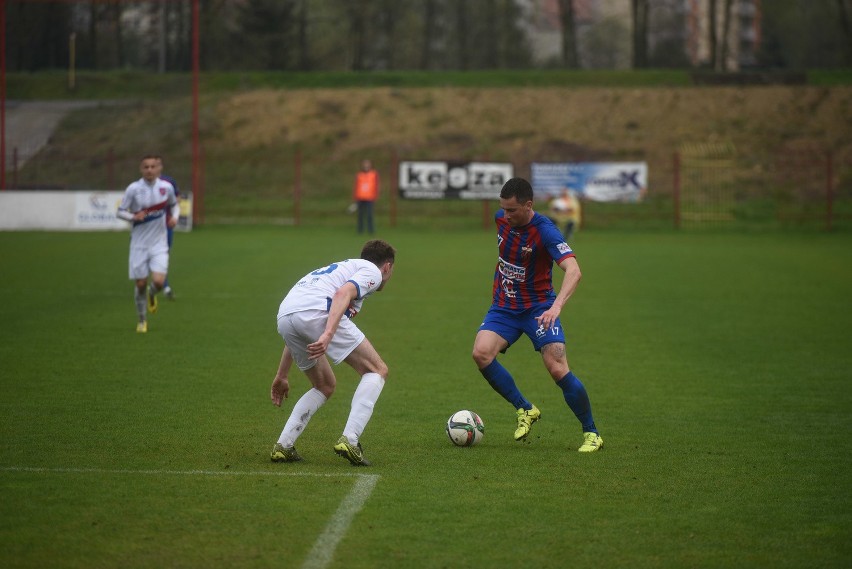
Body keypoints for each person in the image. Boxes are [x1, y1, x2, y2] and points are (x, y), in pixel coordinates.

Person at [471, 177, 603, 452]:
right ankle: (525, 408)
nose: (505, 216)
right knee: (481, 353)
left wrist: (556, 308)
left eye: (512, 210)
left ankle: (592, 433)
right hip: (504, 307)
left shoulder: (546, 232)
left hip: (539, 309)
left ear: (528, 205)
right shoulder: (501, 219)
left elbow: (574, 271)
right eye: (503, 209)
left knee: (557, 367)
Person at [269, 239, 396, 466]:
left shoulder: (342, 269)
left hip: (285, 314)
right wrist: (327, 334)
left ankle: (283, 445)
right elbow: (341, 294)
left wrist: (282, 375)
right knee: (377, 370)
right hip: (316, 311)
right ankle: (350, 439)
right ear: (386, 267)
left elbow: (299, 322)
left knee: (324, 385)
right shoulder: (372, 272)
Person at [117, 155, 180, 333]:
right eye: (146, 167)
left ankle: (153, 295)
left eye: (153, 167)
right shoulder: (133, 189)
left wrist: (174, 218)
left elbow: (174, 205)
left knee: (158, 282)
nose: (150, 170)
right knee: (140, 284)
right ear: (141, 169)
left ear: (158, 169)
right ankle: (142, 320)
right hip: (138, 244)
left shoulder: (166, 188)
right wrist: (133, 216)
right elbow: (120, 212)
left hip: (159, 243)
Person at [155, 156, 180, 300]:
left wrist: (174, 216)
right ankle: (165, 286)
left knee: (164, 254)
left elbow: (177, 200)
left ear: (161, 166)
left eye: (157, 165)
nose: (153, 168)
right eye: (150, 165)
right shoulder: (139, 187)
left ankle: (162, 283)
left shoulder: (169, 183)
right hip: (147, 228)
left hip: (165, 225)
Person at [353, 159, 379, 234]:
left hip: (370, 197)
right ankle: (360, 230)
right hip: (360, 197)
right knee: (360, 215)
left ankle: (371, 230)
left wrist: (375, 195)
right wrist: (355, 196)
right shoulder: (359, 175)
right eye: (365, 164)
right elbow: (356, 186)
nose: (366, 166)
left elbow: (376, 185)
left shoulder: (373, 174)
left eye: (367, 164)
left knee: (369, 214)